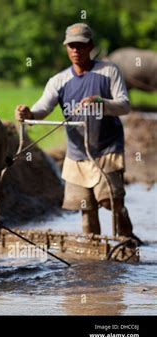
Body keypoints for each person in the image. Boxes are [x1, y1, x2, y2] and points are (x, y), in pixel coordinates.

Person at [15, 23, 139, 241]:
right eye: (71, 46)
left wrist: (100, 102)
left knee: (112, 201)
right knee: (86, 208)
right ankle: (93, 254)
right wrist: (29, 113)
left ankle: (127, 239)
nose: (75, 50)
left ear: (90, 46)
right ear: (66, 48)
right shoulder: (59, 80)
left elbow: (124, 105)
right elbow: (43, 108)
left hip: (106, 149)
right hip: (76, 154)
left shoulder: (109, 71)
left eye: (80, 45)